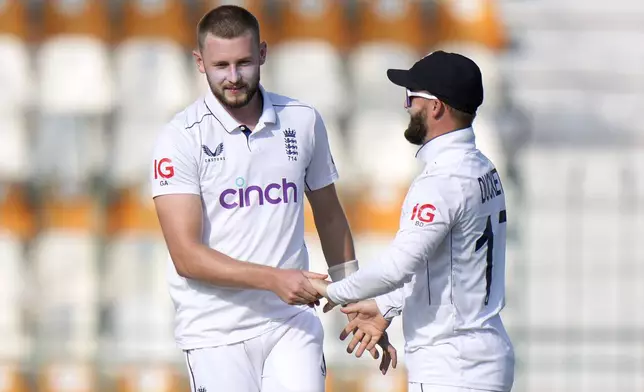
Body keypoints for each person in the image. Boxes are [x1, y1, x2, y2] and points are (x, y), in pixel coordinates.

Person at [150, 5, 394, 392]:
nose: (233, 77)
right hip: (215, 331)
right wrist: (273, 279)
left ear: (262, 54)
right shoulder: (180, 137)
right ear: (199, 62)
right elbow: (186, 256)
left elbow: (330, 216)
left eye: (244, 62)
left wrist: (355, 299)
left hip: (291, 321)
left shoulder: (302, 120)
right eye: (221, 65)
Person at [309, 51, 516, 392]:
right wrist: (386, 307)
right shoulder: (482, 167)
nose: (407, 106)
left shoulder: (441, 180)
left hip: (451, 368)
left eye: (412, 98)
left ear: (436, 108)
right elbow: (442, 264)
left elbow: (399, 266)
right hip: (480, 355)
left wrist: (334, 291)